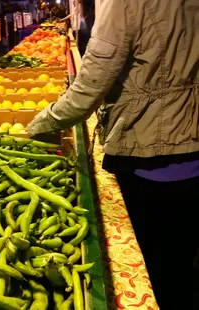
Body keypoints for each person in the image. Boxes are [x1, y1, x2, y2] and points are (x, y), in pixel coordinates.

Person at [26, 0, 199, 309]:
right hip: (190, 143)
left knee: (158, 265)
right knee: (182, 261)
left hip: (151, 150)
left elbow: (90, 86)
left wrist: (39, 124)